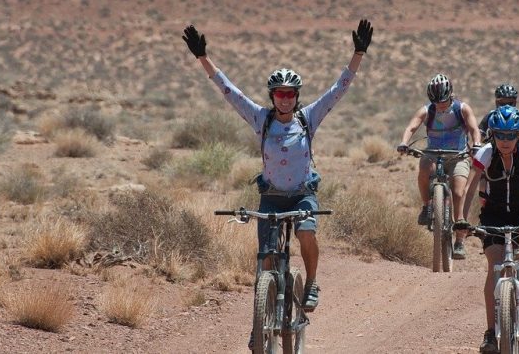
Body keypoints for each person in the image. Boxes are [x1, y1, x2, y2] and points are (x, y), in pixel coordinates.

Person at [182, 19, 373, 316]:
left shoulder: (308, 117)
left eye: (290, 94)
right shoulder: (261, 118)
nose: (285, 99)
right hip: (271, 196)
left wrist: (358, 54)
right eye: (279, 94)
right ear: (272, 96)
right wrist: (202, 57)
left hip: (302, 194)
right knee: (267, 260)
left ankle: (310, 283)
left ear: (297, 97)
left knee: (306, 233)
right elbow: (229, 91)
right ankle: (262, 323)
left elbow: (338, 89)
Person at [456, 105, 519, 354]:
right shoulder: (484, 154)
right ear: (493, 134)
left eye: (510, 135)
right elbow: (469, 188)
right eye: (500, 135)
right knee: (494, 267)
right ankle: (491, 333)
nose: (505, 141)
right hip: (493, 212)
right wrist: (461, 219)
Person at [396, 73, 481, 259]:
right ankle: (427, 205)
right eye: (436, 101)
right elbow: (411, 127)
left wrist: (476, 145)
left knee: (459, 192)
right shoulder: (427, 110)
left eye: (443, 101)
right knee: (424, 171)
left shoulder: (462, 109)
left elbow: (474, 129)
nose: (440, 105)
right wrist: (404, 142)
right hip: (433, 152)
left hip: (459, 155)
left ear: (450, 94)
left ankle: (459, 239)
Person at [479, 83, 519, 151]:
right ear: (496, 102)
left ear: (515, 103)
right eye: (502, 103)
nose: (506, 106)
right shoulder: (490, 116)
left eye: (510, 103)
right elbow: (478, 137)